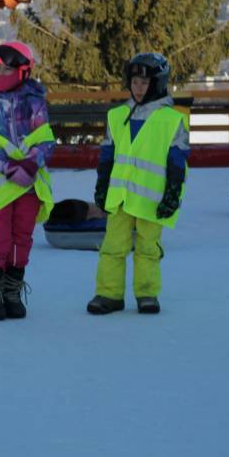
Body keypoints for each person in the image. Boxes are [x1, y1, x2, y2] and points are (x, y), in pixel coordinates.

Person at [87, 52, 189, 315]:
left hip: (152, 200)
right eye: (134, 82)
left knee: (148, 248)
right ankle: (109, 294)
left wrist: (173, 192)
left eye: (144, 83)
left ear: (158, 84)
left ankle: (147, 294)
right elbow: (107, 155)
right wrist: (101, 184)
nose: (138, 88)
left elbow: (177, 162)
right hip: (120, 197)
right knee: (112, 246)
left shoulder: (172, 120)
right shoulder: (117, 116)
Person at [0, 42, 55, 321]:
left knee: (21, 238)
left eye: (9, 68)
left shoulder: (35, 104)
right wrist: (7, 167)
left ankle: (11, 288)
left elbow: (45, 141)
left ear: (24, 71)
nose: (2, 73)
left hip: (28, 184)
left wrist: (30, 164)